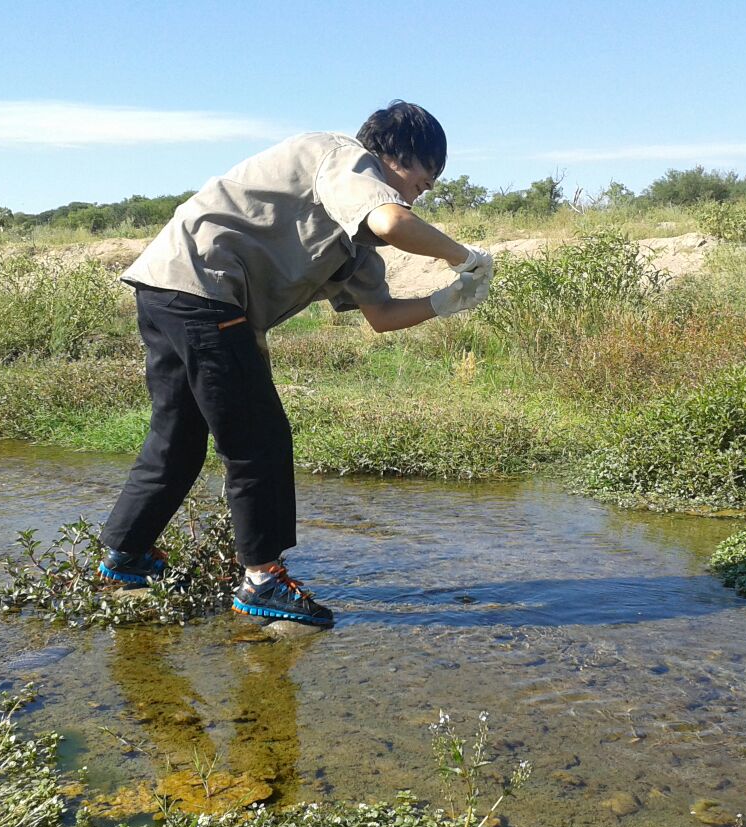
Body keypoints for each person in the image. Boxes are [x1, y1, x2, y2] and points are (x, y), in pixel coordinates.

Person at [100, 100, 492, 627]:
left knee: (178, 436)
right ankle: (262, 579)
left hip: (171, 287)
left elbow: (380, 315)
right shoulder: (342, 156)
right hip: (204, 288)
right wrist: (460, 256)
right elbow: (393, 217)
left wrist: (445, 301)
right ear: (396, 153)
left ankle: (125, 556)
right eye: (424, 180)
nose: (422, 193)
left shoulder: (355, 243)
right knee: (258, 437)